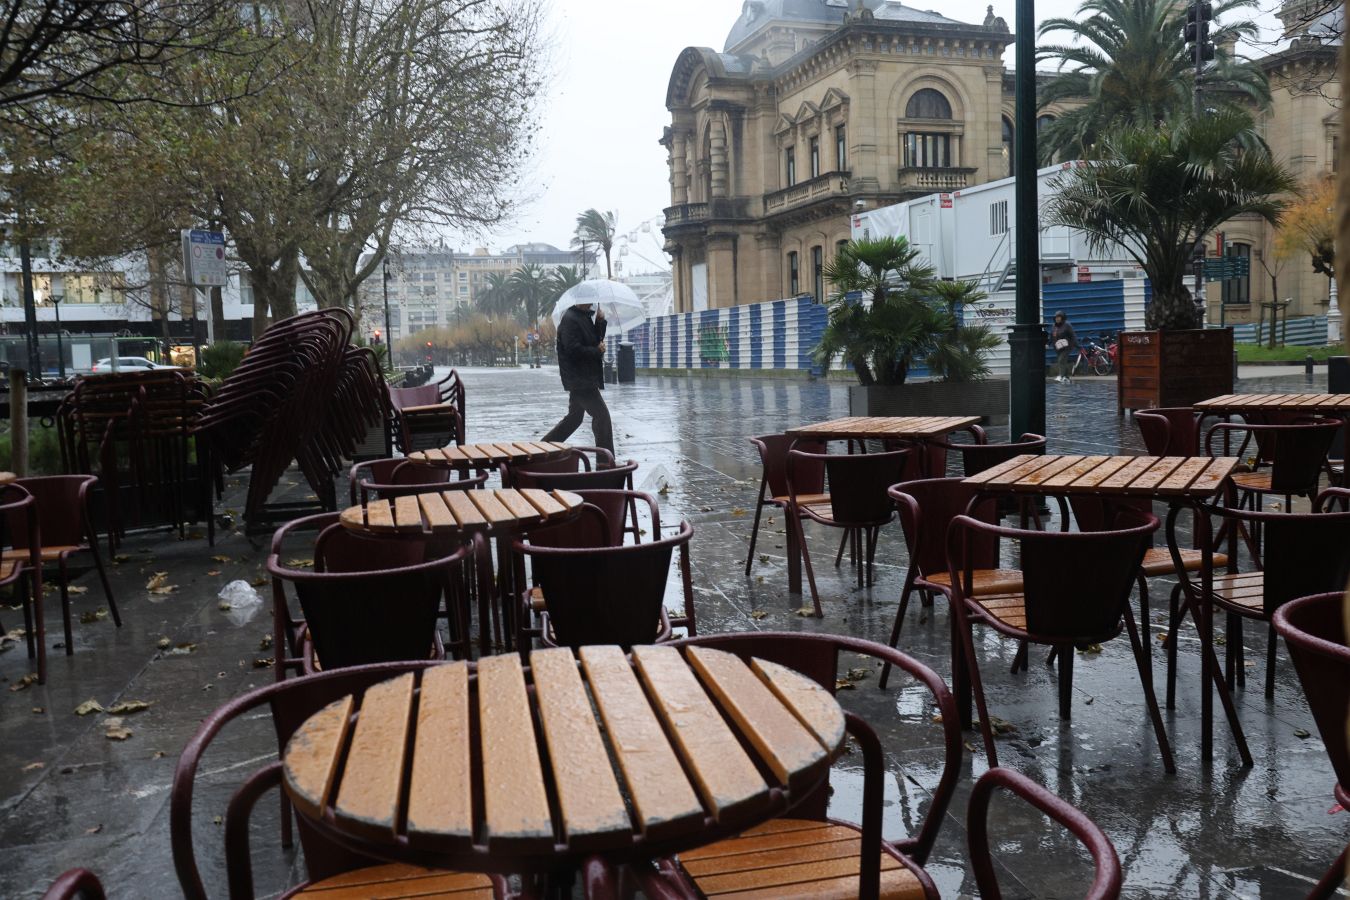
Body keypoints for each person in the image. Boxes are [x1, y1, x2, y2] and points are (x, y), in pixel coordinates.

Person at [542, 302, 614, 456]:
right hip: (580, 380)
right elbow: (572, 350)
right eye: (589, 300)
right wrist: (597, 351)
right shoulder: (570, 319)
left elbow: (595, 339)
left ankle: (542, 449)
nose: (591, 303)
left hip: (584, 378)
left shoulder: (583, 317)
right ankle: (605, 462)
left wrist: (600, 322)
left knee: (574, 419)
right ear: (580, 301)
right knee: (602, 417)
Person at [1048, 309, 1077, 384]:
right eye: (1056, 317)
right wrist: (1048, 343)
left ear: (1062, 318)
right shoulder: (1054, 326)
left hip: (1067, 347)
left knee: (1061, 360)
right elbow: (1051, 336)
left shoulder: (1067, 325)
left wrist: (1075, 345)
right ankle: (1066, 377)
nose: (1057, 319)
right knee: (1062, 361)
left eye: (1059, 317)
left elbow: (1073, 335)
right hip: (1058, 347)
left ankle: (1061, 376)